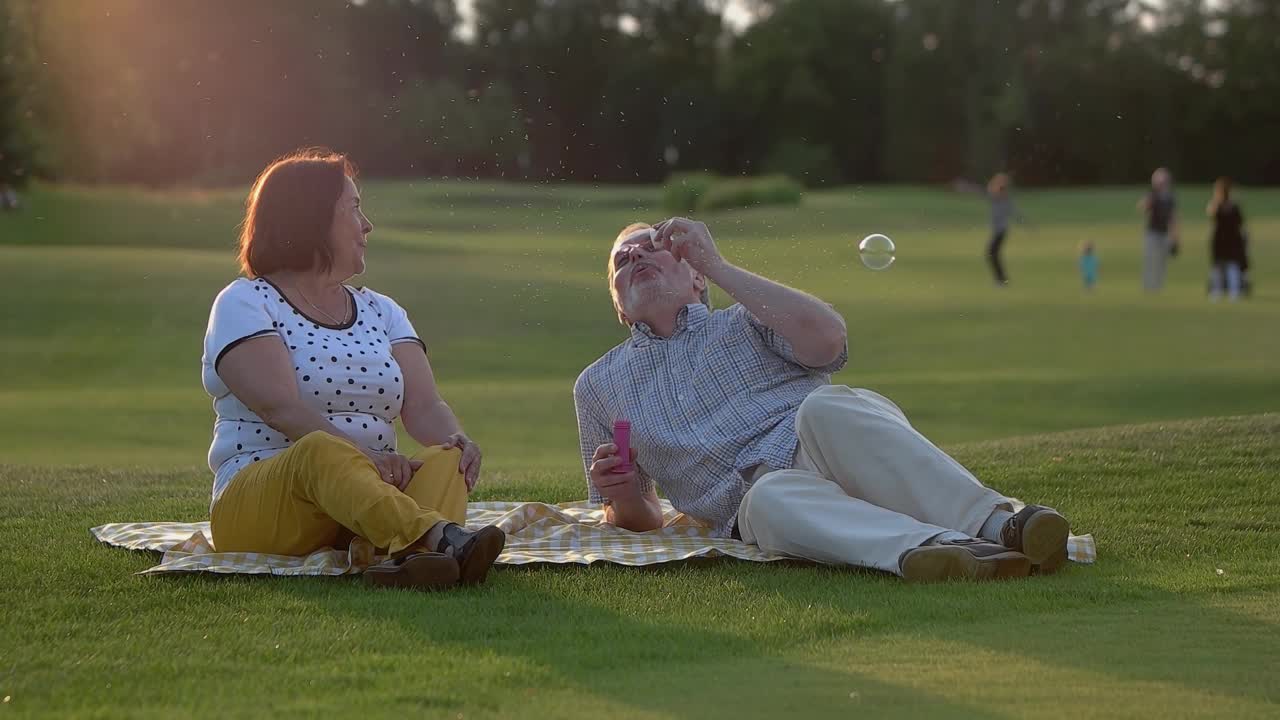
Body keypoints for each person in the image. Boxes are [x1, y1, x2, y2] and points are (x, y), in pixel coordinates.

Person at [573, 218, 1071, 582]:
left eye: (652, 247)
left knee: (822, 407)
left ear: (696, 277)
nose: (634, 256)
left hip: (834, 447)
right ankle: (940, 549)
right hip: (761, 500)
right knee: (766, 501)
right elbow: (643, 519)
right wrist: (619, 494)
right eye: (621, 259)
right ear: (618, 306)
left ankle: (999, 524)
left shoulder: (746, 318)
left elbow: (829, 341)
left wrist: (719, 265)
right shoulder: (598, 386)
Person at [201, 148, 504, 591]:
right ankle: (435, 539)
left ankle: (398, 561)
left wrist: (458, 440)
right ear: (312, 217)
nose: (367, 226)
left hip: (368, 499)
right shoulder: (244, 302)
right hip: (265, 501)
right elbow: (278, 407)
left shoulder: (382, 310)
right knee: (318, 450)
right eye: (355, 208)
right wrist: (367, 459)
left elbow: (423, 405)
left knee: (447, 459)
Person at [1206, 177, 1247, 302]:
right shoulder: (1233, 206)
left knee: (1222, 266)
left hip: (1222, 239)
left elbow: (1210, 213)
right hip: (1231, 239)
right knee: (1230, 266)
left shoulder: (1220, 206)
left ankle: (1218, 291)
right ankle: (1233, 292)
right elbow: (1241, 224)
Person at [1138, 168, 1178, 292]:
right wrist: (1150, 200)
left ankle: (1157, 286)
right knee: (1149, 260)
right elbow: (1142, 208)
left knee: (1161, 261)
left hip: (1164, 233)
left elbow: (1173, 217)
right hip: (1152, 232)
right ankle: (1147, 285)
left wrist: (1175, 237)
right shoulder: (1152, 195)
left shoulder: (1170, 198)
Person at [983, 173, 1024, 286]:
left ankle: (1001, 280)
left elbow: (1016, 214)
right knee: (993, 254)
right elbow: (988, 190)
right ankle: (1001, 279)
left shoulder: (1003, 200)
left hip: (1000, 232)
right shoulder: (997, 198)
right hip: (999, 231)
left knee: (991, 254)